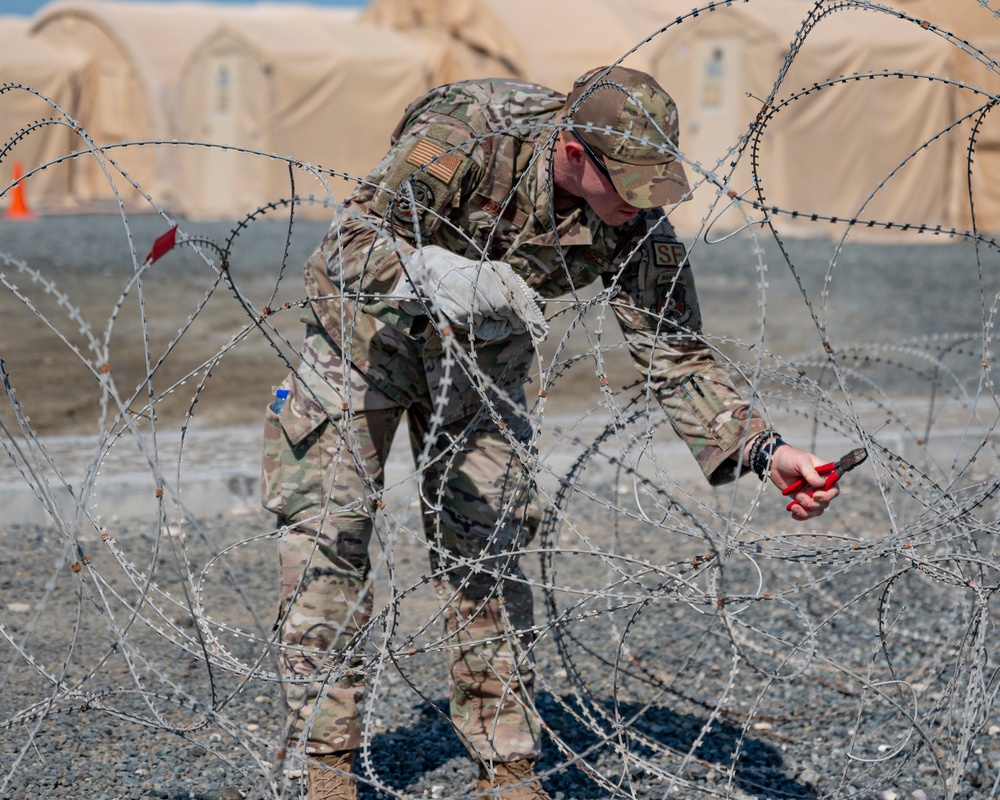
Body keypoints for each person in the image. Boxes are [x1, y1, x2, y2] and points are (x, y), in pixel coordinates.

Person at [260, 65, 840, 800]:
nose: (645, 203)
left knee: (489, 554)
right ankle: (326, 770)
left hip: (479, 362)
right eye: (629, 184)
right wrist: (435, 273)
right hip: (362, 343)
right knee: (328, 542)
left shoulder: (632, 217)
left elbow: (675, 348)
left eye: (655, 182)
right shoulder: (468, 133)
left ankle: (507, 774)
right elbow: (344, 247)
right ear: (572, 155)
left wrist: (767, 451)